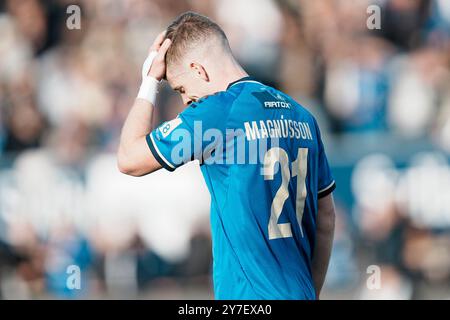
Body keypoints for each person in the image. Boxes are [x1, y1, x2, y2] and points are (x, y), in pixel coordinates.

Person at [117, 12, 336, 300]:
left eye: (181, 88)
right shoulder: (303, 116)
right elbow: (326, 219)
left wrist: (149, 82)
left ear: (199, 70)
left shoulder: (216, 113)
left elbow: (129, 159)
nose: (185, 101)